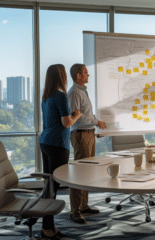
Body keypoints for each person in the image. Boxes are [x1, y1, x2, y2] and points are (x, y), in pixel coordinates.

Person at [39, 64, 81, 239]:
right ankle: (47, 228)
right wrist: (77, 115)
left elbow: (56, 119)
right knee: (53, 187)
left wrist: (68, 115)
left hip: (46, 142)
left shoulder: (46, 96)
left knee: (49, 186)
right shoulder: (61, 95)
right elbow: (66, 123)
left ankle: (48, 227)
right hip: (57, 144)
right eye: (64, 73)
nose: (65, 76)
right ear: (61, 76)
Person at [68, 63, 107, 224]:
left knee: (87, 172)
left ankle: (83, 205)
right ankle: (75, 210)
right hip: (81, 134)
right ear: (78, 76)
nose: (88, 75)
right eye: (85, 72)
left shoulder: (83, 91)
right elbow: (77, 116)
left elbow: (85, 114)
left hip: (88, 133)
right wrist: (96, 121)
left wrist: (94, 125)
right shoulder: (74, 92)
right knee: (79, 173)